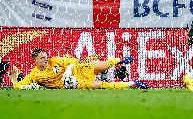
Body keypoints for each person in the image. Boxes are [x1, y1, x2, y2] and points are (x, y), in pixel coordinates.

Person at [13, 48, 147, 90]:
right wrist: (23, 87)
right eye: (42, 58)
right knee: (103, 85)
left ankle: (120, 60)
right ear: (35, 60)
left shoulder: (54, 60)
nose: (45, 59)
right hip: (76, 83)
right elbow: (18, 85)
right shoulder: (34, 74)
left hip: (80, 70)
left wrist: (69, 69)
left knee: (105, 64)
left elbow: (72, 60)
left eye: (45, 57)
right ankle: (133, 84)